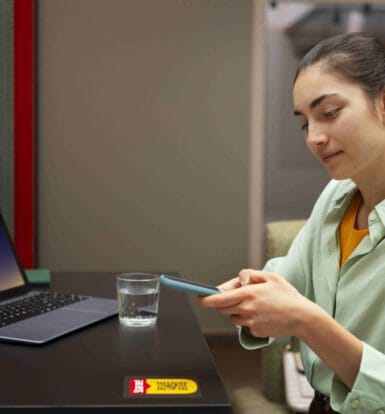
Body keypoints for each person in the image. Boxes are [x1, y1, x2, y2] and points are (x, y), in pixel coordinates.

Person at [199, 32, 385, 414]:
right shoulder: (335, 199)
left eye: (329, 113)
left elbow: (300, 311)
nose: (314, 138)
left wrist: (307, 321)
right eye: (304, 124)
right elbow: (289, 281)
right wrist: (253, 292)